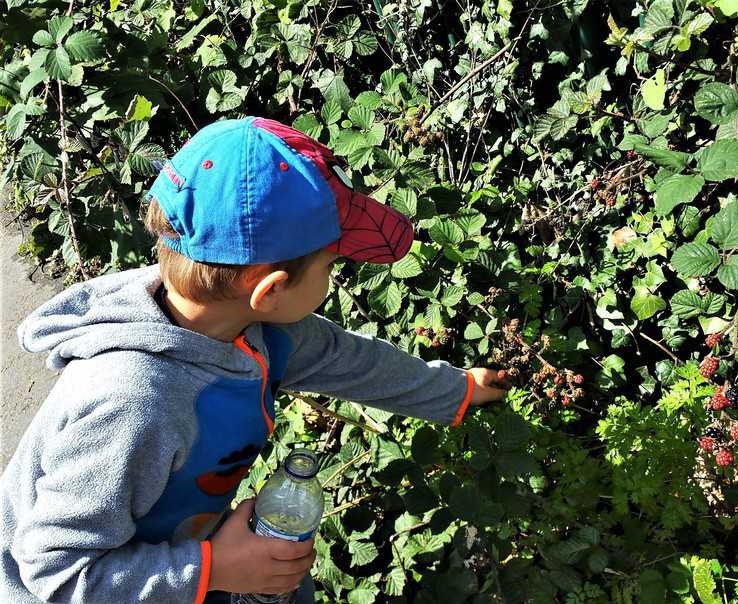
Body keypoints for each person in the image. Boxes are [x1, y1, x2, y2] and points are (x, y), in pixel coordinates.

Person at [0, 116, 511, 603]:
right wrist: (213, 568)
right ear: (268, 289)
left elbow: (347, 359)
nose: (335, 279)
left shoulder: (249, 325)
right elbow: (58, 573)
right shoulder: (133, 405)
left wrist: (458, 390)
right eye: (332, 265)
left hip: (165, 547)